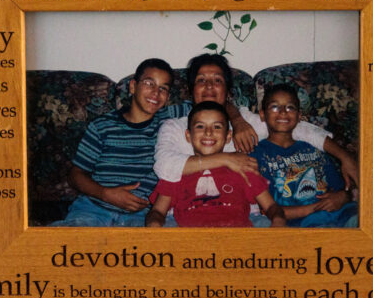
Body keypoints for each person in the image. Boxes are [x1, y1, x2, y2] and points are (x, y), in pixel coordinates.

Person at [153, 54, 357, 196]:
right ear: (191, 90)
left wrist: (345, 157)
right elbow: (164, 166)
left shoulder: (246, 121)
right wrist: (225, 159)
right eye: (201, 80)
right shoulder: (174, 127)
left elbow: (300, 128)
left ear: (228, 89)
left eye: (217, 80)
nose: (209, 86)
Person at [53, 58, 182, 226]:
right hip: (94, 208)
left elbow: (213, 106)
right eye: (149, 83)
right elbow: (76, 175)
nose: (156, 93)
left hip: (143, 215)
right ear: (133, 87)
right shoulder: (102, 126)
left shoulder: (169, 122)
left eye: (163, 88)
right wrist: (106, 194)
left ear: (167, 96)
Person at [145, 102, 285, 228]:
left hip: (237, 239)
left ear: (228, 136)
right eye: (200, 126)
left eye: (217, 127)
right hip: (190, 241)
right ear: (188, 136)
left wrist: (278, 220)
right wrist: (154, 224)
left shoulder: (242, 167)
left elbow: (271, 206)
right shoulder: (178, 171)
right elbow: (157, 211)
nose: (208, 132)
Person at [251, 84, 359, 227]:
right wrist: (317, 208)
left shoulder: (314, 150)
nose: (283, 112)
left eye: (290, 107)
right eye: (275, 107)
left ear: (299, 116)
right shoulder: (256, 155)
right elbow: (268, 209)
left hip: (343, 215)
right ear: (263, 115)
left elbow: (341, 189)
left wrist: (344, 196)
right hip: (304, 225)